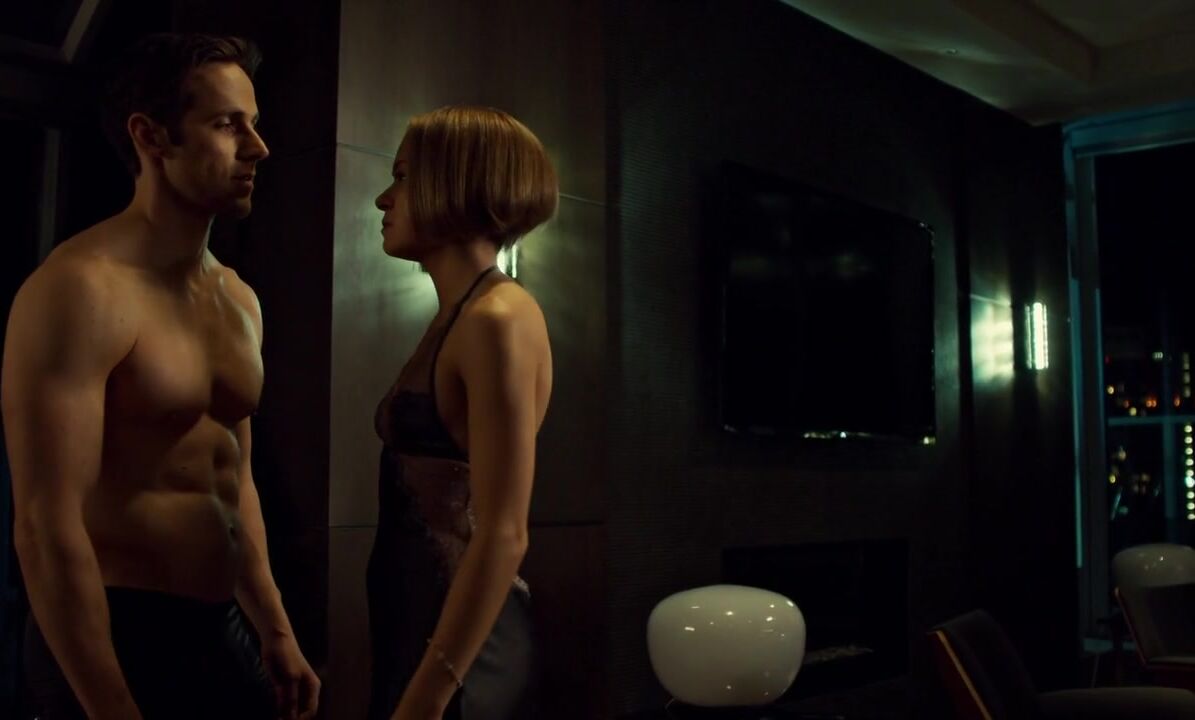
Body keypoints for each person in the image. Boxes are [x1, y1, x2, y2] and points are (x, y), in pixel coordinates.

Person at [0, 33, 320, 720]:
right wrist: (109, 706)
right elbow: (45, 526)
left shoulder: (238, 298)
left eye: (254, 124)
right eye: (228, 125)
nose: (258, 148)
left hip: (217, 628)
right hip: (110, 633)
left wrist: (275, 628)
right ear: (151, 136)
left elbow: (234, 478)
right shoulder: (80, 289)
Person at [367, 106, 557, 720]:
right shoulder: (462, 315)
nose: (383, 199)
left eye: (402, 177)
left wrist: (425, 701)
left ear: (454, 183)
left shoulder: (497, 319)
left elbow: (505, 531)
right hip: (423, 634)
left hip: (461, 661)